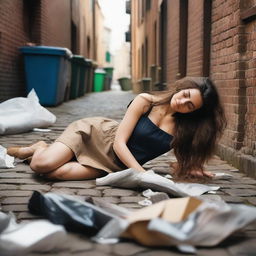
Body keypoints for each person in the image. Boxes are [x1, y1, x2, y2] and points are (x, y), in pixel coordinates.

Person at [7, 77, 226, 181]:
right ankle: (40, 147)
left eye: (190, 106)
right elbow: (119, 143)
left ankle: (53, 152)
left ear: (193, 112)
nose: (182, 102)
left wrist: (191, 167)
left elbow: (183, 157)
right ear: (183, 88)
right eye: (186, 95)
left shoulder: (183, 129)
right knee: (40, 165)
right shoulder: (146, 101)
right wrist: (142, 175)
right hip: (95, 135)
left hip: (115, 165)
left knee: (56, 173)